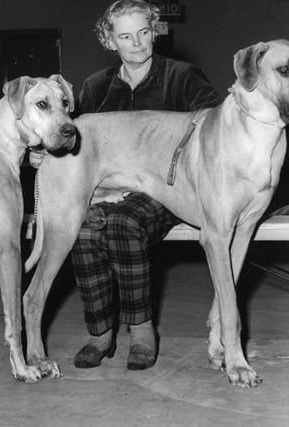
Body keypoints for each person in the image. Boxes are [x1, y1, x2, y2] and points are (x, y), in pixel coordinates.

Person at [32, 0, 221, 370]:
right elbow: (74, 143)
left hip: (168, 191)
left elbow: (218, 130)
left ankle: (141, 329)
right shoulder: (95, 86)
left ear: (155, 32)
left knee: (123, 223)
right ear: (110, 40)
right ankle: (100, 333)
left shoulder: (183, 76)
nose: (136, 43)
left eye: (144, 33)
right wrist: (47, 153)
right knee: (84, 229)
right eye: (125, 36)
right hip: (106, 189)